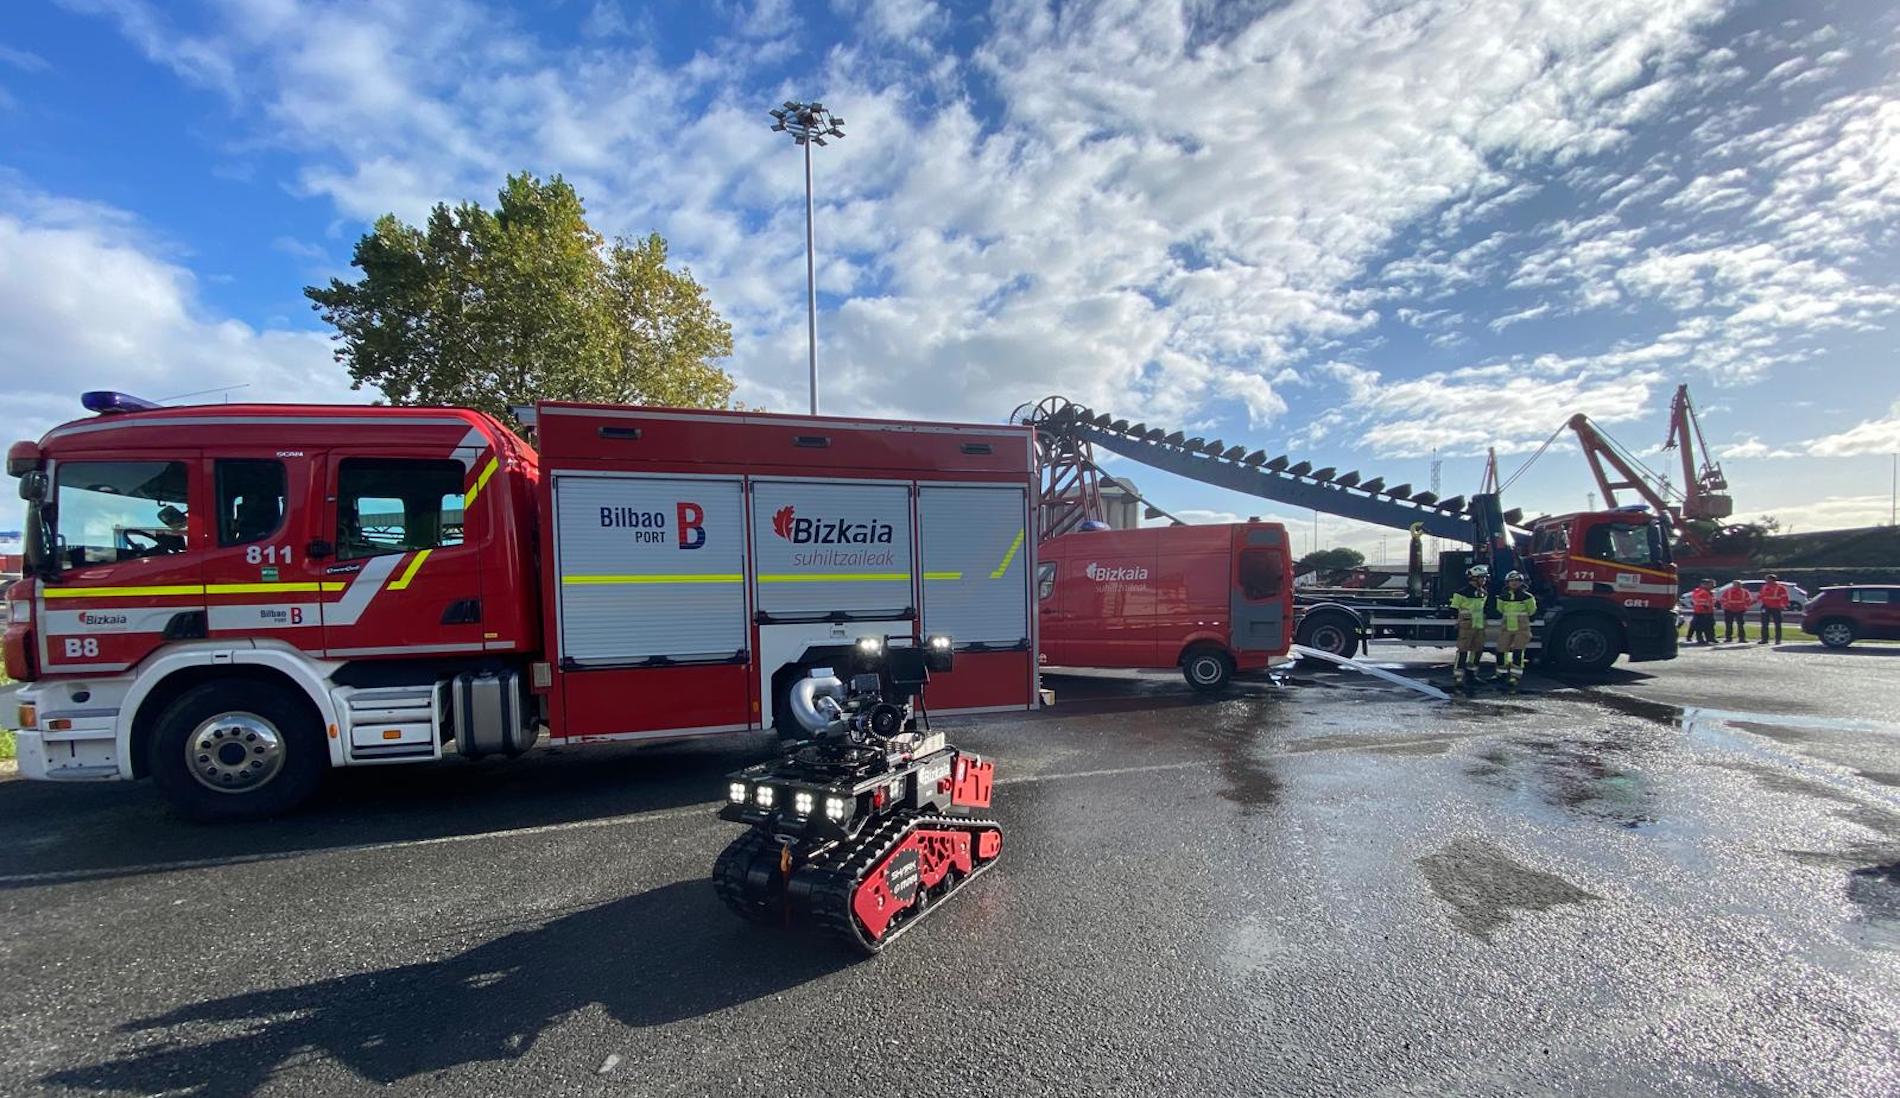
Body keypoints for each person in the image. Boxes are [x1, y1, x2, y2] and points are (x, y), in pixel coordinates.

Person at [1449, 564, 1491, 699]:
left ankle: (1472, 675)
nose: (1484, 580)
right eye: (1482, 578)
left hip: (1479, 625)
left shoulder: (1483, 592)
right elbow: (1453, 609)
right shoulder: (1461, 593)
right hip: (1467, 626)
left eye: (1484, 578)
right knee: (1463, 651)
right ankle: (1458, 677)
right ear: (1474, 578)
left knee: (1477, 651)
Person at [1494, 570, 1536, 692]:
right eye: (1511, 581)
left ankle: (1515, 677)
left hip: (1521, 628)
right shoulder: (1503, 597)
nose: (1514, 583)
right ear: (1507, 583)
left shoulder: (1527, 597)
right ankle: (1501, 674)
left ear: (1521, 582)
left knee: (1518, 652)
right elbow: (1500, 609)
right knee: (1501, 651)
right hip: (1506, 628)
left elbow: (1532, 610)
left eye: (1516, 581)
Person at [1757, 573, 1790, 645]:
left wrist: (1783, 605)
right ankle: (1764, 639)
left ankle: (1778, 639)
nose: (1766, 581)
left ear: (1773, 580)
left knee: (1777, 624)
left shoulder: (1780, 588)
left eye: (1768, 579)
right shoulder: (1764, 587)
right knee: (1764, 623)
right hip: (1766, 606)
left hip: (1776, 607)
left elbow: (1785, 598)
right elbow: (1760, 595)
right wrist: (1753, 601)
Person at [1719, 579, 1753, 643]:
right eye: (1736, 584)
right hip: (1729, 610)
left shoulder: (1744, 592)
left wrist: (1745, 607)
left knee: (1740, 625)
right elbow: (1723, 600)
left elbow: (1748, 600)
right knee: (1729, 624)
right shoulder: (1728, 591)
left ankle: (1742, 638)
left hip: (1740, 610)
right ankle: (1728, 638)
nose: (1737, 586)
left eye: (1739, 584)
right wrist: (1726, 606)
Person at [1687, 579, 1716, 645]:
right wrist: (1705, 607)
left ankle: (1710, 638)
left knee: (1709, 625)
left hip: (1708, 611)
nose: (1712, 586)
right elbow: (1699, 601)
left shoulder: (1709, 592)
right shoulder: (1700, 591)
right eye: (1710, 585)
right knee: (1699, 626)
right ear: (1704, 585)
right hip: (1701, 611)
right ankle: (1700, 639)